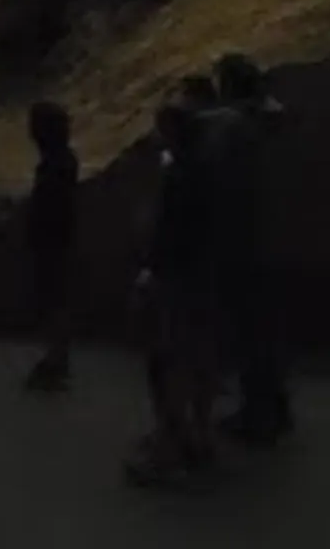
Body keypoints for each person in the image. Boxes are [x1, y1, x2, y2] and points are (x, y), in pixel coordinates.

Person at [126, 95, 224, 486]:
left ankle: (171, 449)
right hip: (203, 275)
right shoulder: (207, 172)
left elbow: (168, 231)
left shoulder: (178, 176)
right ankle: (199, 437)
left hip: (175, 278)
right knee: (199, 358)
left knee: (168, 361)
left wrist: (151, 269)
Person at [210, 52, 293, 445]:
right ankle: (274, 407)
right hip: (271, 232)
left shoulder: (233, 126)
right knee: (266, 328)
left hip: (241, 237)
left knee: (249, 330)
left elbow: (221, 182)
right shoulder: (272, 117)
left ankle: (259, 414)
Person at [22, 99, 80, 393]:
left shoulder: (55, 164)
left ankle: (57, 358)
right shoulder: (63, 160)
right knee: (56, 299)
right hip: (58, 238)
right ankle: (57, 355)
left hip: (53, 240)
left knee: (55, 299)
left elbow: (50, 205)